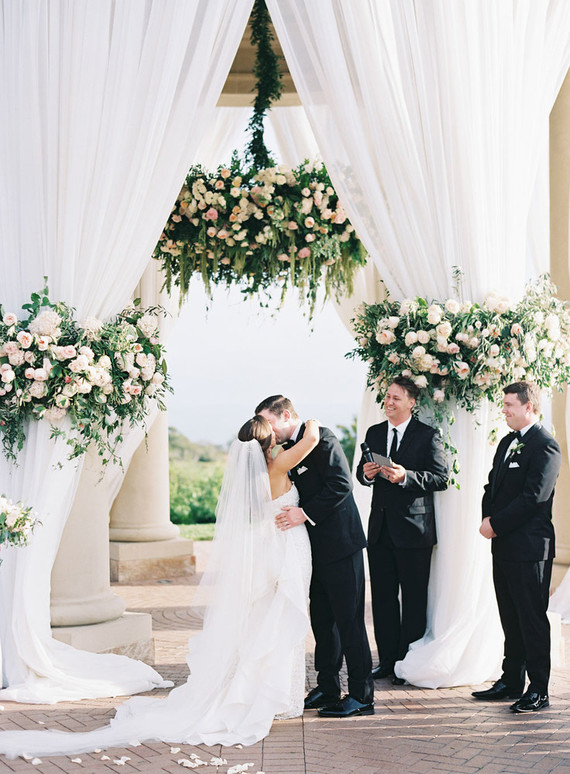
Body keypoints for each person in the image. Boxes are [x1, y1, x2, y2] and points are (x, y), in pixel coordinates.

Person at [0, 416, 320, 758]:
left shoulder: (254, 470)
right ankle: (276, 699)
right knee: (277, 624)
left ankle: (267, 694)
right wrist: (308, 420)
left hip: (271, 551)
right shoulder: (276, 463)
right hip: (282, 554)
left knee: (266, 625)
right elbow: (312, 438)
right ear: (268, 442)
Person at [256, 395, 374, 718]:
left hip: (341, 545)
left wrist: (303, 514)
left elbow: (341, 485)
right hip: (314, 552)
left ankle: (363, 695)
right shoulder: (286, 452)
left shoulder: (324, 439)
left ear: (287, 414)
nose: (269, 431)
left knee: (350, 622)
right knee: (323, 623)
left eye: (270, 422)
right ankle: (328, 686)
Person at [472, 381, 561, 713]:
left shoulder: (545, 446)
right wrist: (487, 516)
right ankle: (511, 681)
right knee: (509, 616)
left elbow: (533, 498)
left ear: (529, 407)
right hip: (504, 546)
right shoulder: (508, 442)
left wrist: (494, 524)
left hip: (530, 548)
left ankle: (539, 688)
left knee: (531, 619)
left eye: (510, 405)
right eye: (504, 404)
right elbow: (490, 486)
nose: (505, 410)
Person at [356, 376, 449, 684]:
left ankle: (408, 663)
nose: (389, 402)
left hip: (414, 531)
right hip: (381, 529)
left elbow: (440, 477)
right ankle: (387, 661)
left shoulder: (428, 435)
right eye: (387, 397)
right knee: (382, 599)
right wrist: (367, 474)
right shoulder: (374, 432)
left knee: (413, 599)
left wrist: (406, 476)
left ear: (411, 402)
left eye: (396, 398)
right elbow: (361, 472)